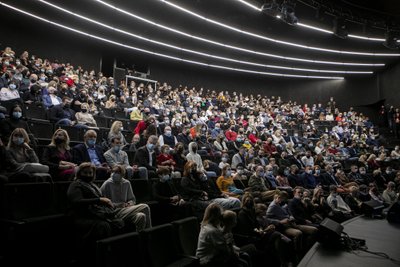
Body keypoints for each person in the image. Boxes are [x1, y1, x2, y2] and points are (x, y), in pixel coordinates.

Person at [99, 165, 152, 231]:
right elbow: (102, 202)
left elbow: (132, 199)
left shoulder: (127, 183)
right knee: (145, 207)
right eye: (113, 172)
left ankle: (140, 238)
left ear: (122, 174)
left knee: (141, 216)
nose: (114, 174)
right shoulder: (107, 184)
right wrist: (119, 205)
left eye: (117, 172)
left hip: (126, 210)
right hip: (114, 211)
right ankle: (150, 233)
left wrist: (130, 203)